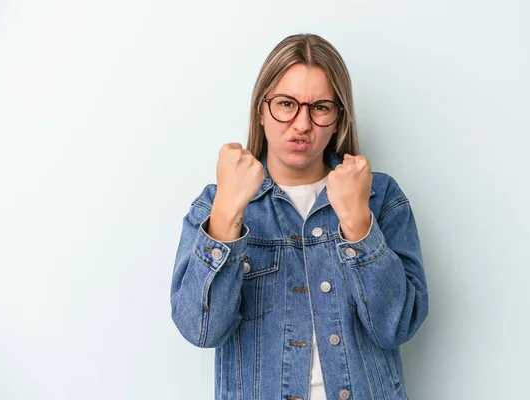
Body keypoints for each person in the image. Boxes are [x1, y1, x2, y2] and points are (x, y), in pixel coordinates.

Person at [170, 33, 429, 400]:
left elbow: (397, 327)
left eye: (320, 107)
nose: (302, 124)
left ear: (339, 118)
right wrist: (228, 212)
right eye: (286, 103)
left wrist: (358, 223)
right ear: (261, 111)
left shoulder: (381, 198)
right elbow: (200, 329)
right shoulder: (214, 205)